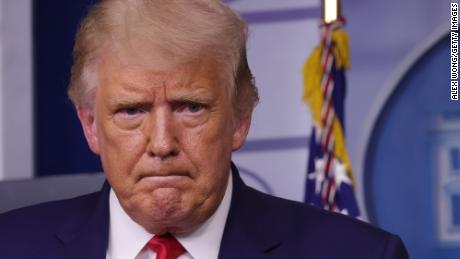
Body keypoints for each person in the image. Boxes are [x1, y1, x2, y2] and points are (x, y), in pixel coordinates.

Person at [0, 0, 409, 258]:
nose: (162, 143)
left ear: (240, 118)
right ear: (90, 125)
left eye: (190, 107)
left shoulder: (361, 254)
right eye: (131, 111)